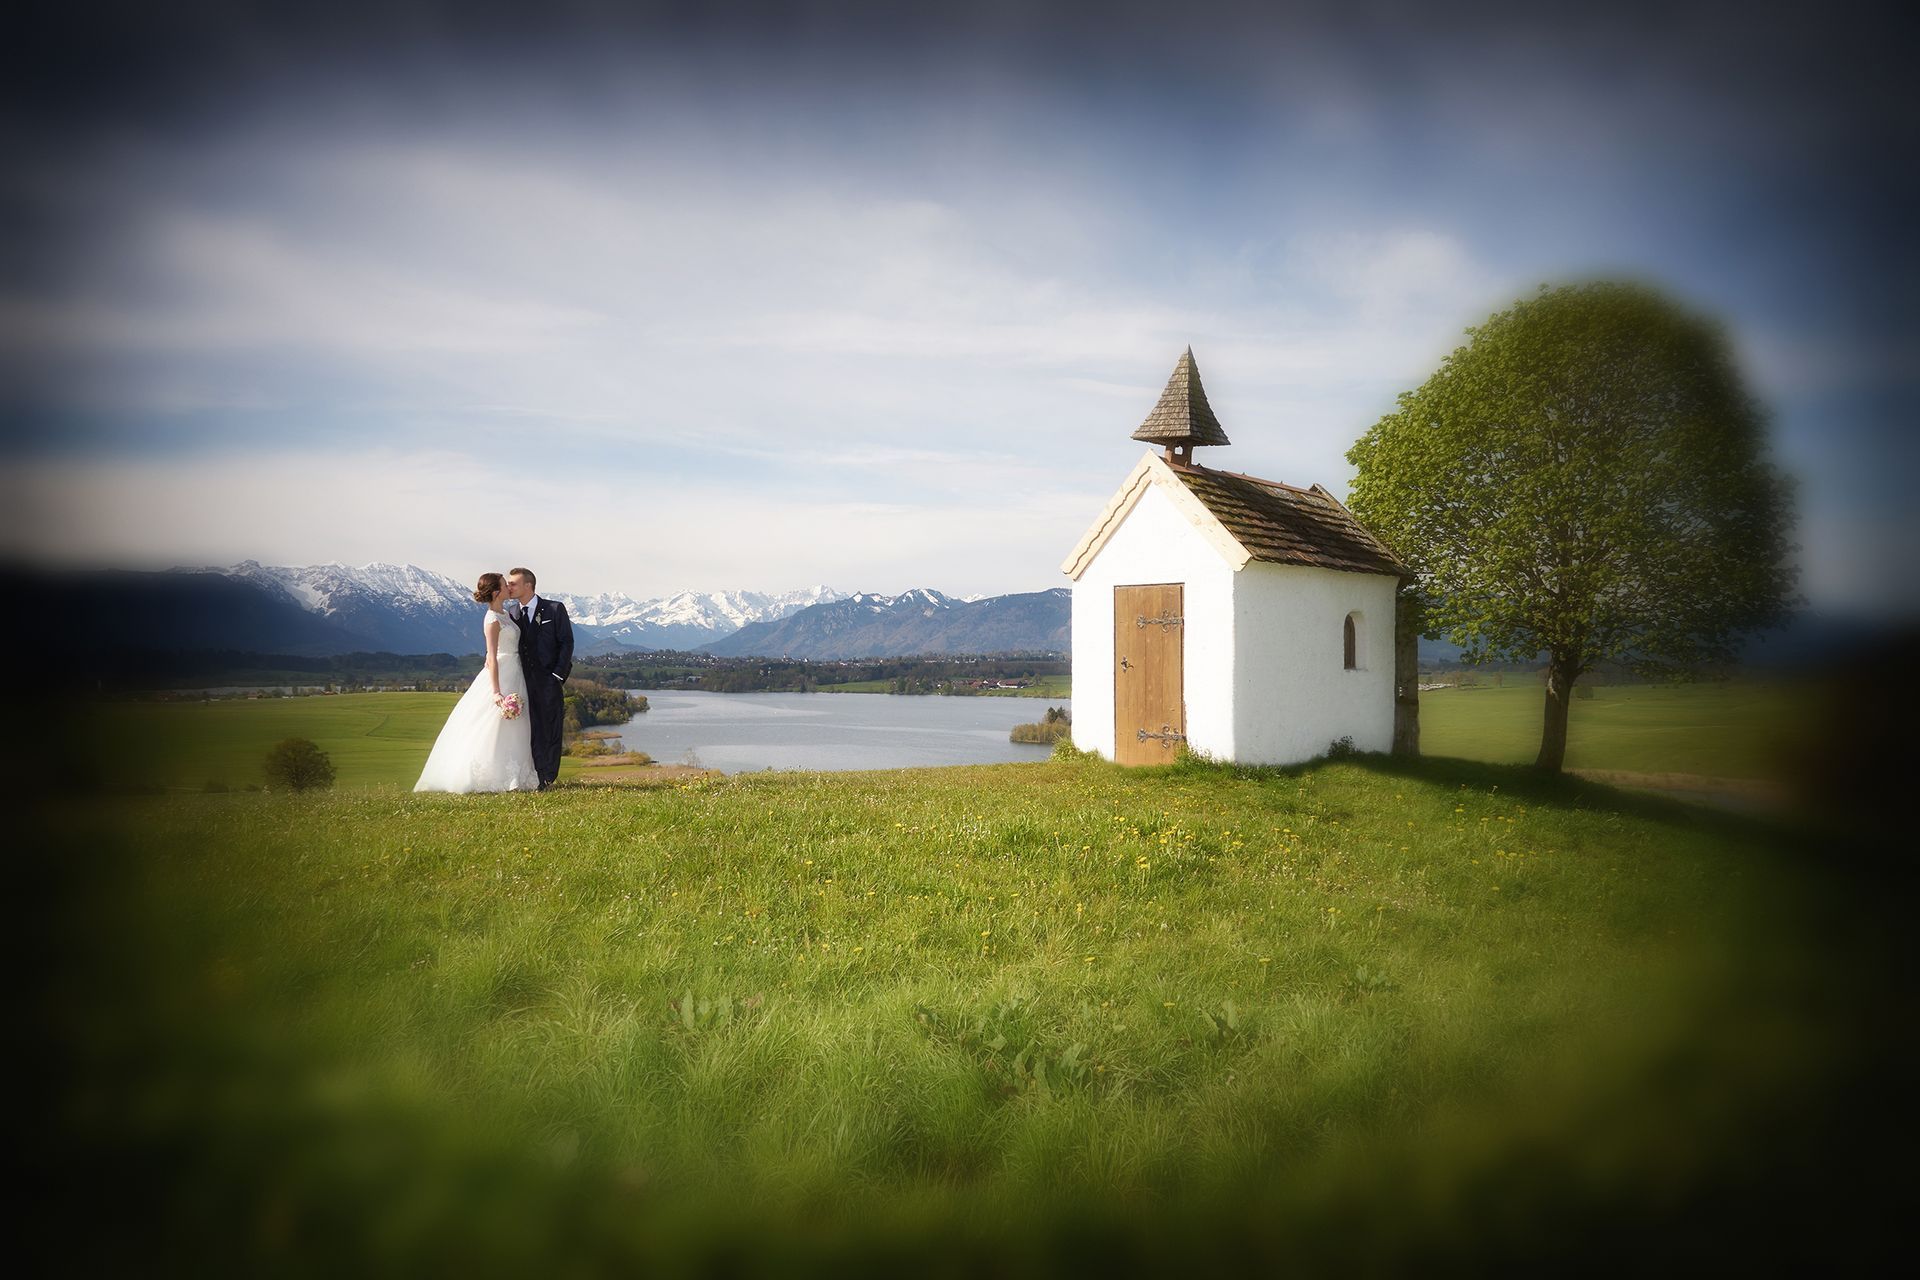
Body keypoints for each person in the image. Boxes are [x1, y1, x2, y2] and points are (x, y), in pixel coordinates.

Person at [413, 572, 539, 793]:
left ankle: (515, 776)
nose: (509, 587)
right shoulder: (491, 619)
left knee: (516, 725)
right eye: (504, 584)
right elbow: (491, 656)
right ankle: (487, 777)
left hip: (516, 672)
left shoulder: (507, 614)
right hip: (502, 673)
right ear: (496, 591)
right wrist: (496, 691)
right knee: (493, 723)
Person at [504, 565, 574, 789]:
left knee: (550, 728)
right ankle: (530, 775)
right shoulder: (511, 613)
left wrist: (557, 675)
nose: (509, 587)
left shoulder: (554, 609)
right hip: (520, 680)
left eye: (513, 583)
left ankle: (546, 778)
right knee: (526, 729)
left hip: (548, 680)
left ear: (528, 585)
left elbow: (566, 642)